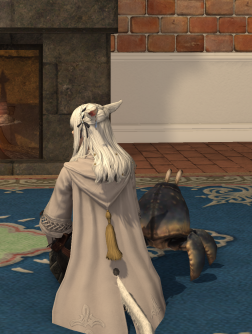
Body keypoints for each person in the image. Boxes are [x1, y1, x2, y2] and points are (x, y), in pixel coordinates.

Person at [39, 101, 165, 334]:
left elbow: (55, 222)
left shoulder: (71, 170)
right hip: (128, 246)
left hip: (91, 251)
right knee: (137, 273)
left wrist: (54, 233)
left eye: (74, 130)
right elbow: (134, 211)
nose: (72, 134)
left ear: (83, 132)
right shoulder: (127, 164)